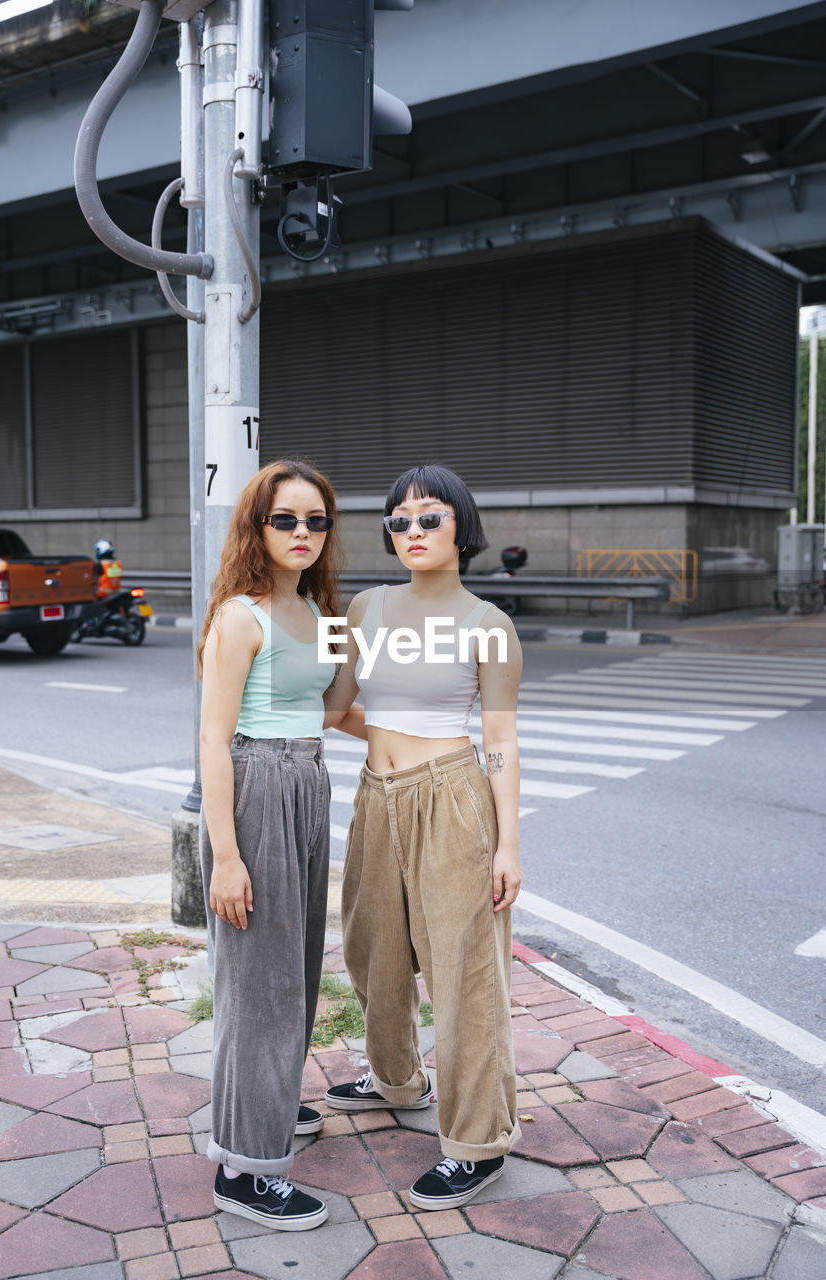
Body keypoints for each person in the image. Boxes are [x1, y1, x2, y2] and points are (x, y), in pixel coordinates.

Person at [322, 464, 523, 1210]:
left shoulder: (488, 625)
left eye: (428, 517)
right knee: (371, 950)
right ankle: (396, 1080)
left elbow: (500, 738)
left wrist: (507, 844)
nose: (411, 531)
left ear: (461, 528)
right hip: (377, 797)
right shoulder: (365, 608)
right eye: (399, 520)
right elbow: (338, 706)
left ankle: (478, 1142)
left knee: (465, 976)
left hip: (455, 801)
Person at [197, 458, 346, 1232]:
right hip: (256, 789)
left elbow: (337, 710)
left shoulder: (316, 613)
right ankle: (243, 1170)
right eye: (284, 519)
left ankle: (267, 1112)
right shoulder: (240, 616)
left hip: (308, 786)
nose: (301, 533)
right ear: (257, 527)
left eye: (315, 520)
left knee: (294, 975)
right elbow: (214, 741)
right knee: (260, 989)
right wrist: (226, 855)